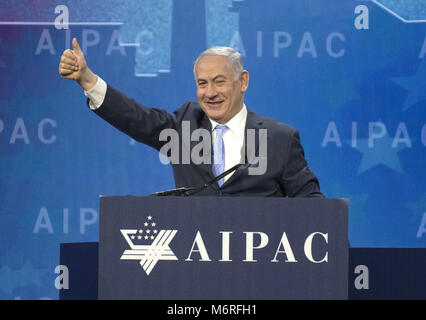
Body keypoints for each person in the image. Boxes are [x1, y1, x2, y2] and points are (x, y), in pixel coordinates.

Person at [59, 38, 324, 197]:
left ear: (242, 81)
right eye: (202, 83)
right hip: (194, 274)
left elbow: (312, 206)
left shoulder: (279, 139)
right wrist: (88, 80)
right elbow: (136, 118)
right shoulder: (184, 128)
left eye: (219, 82)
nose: (210, 93)